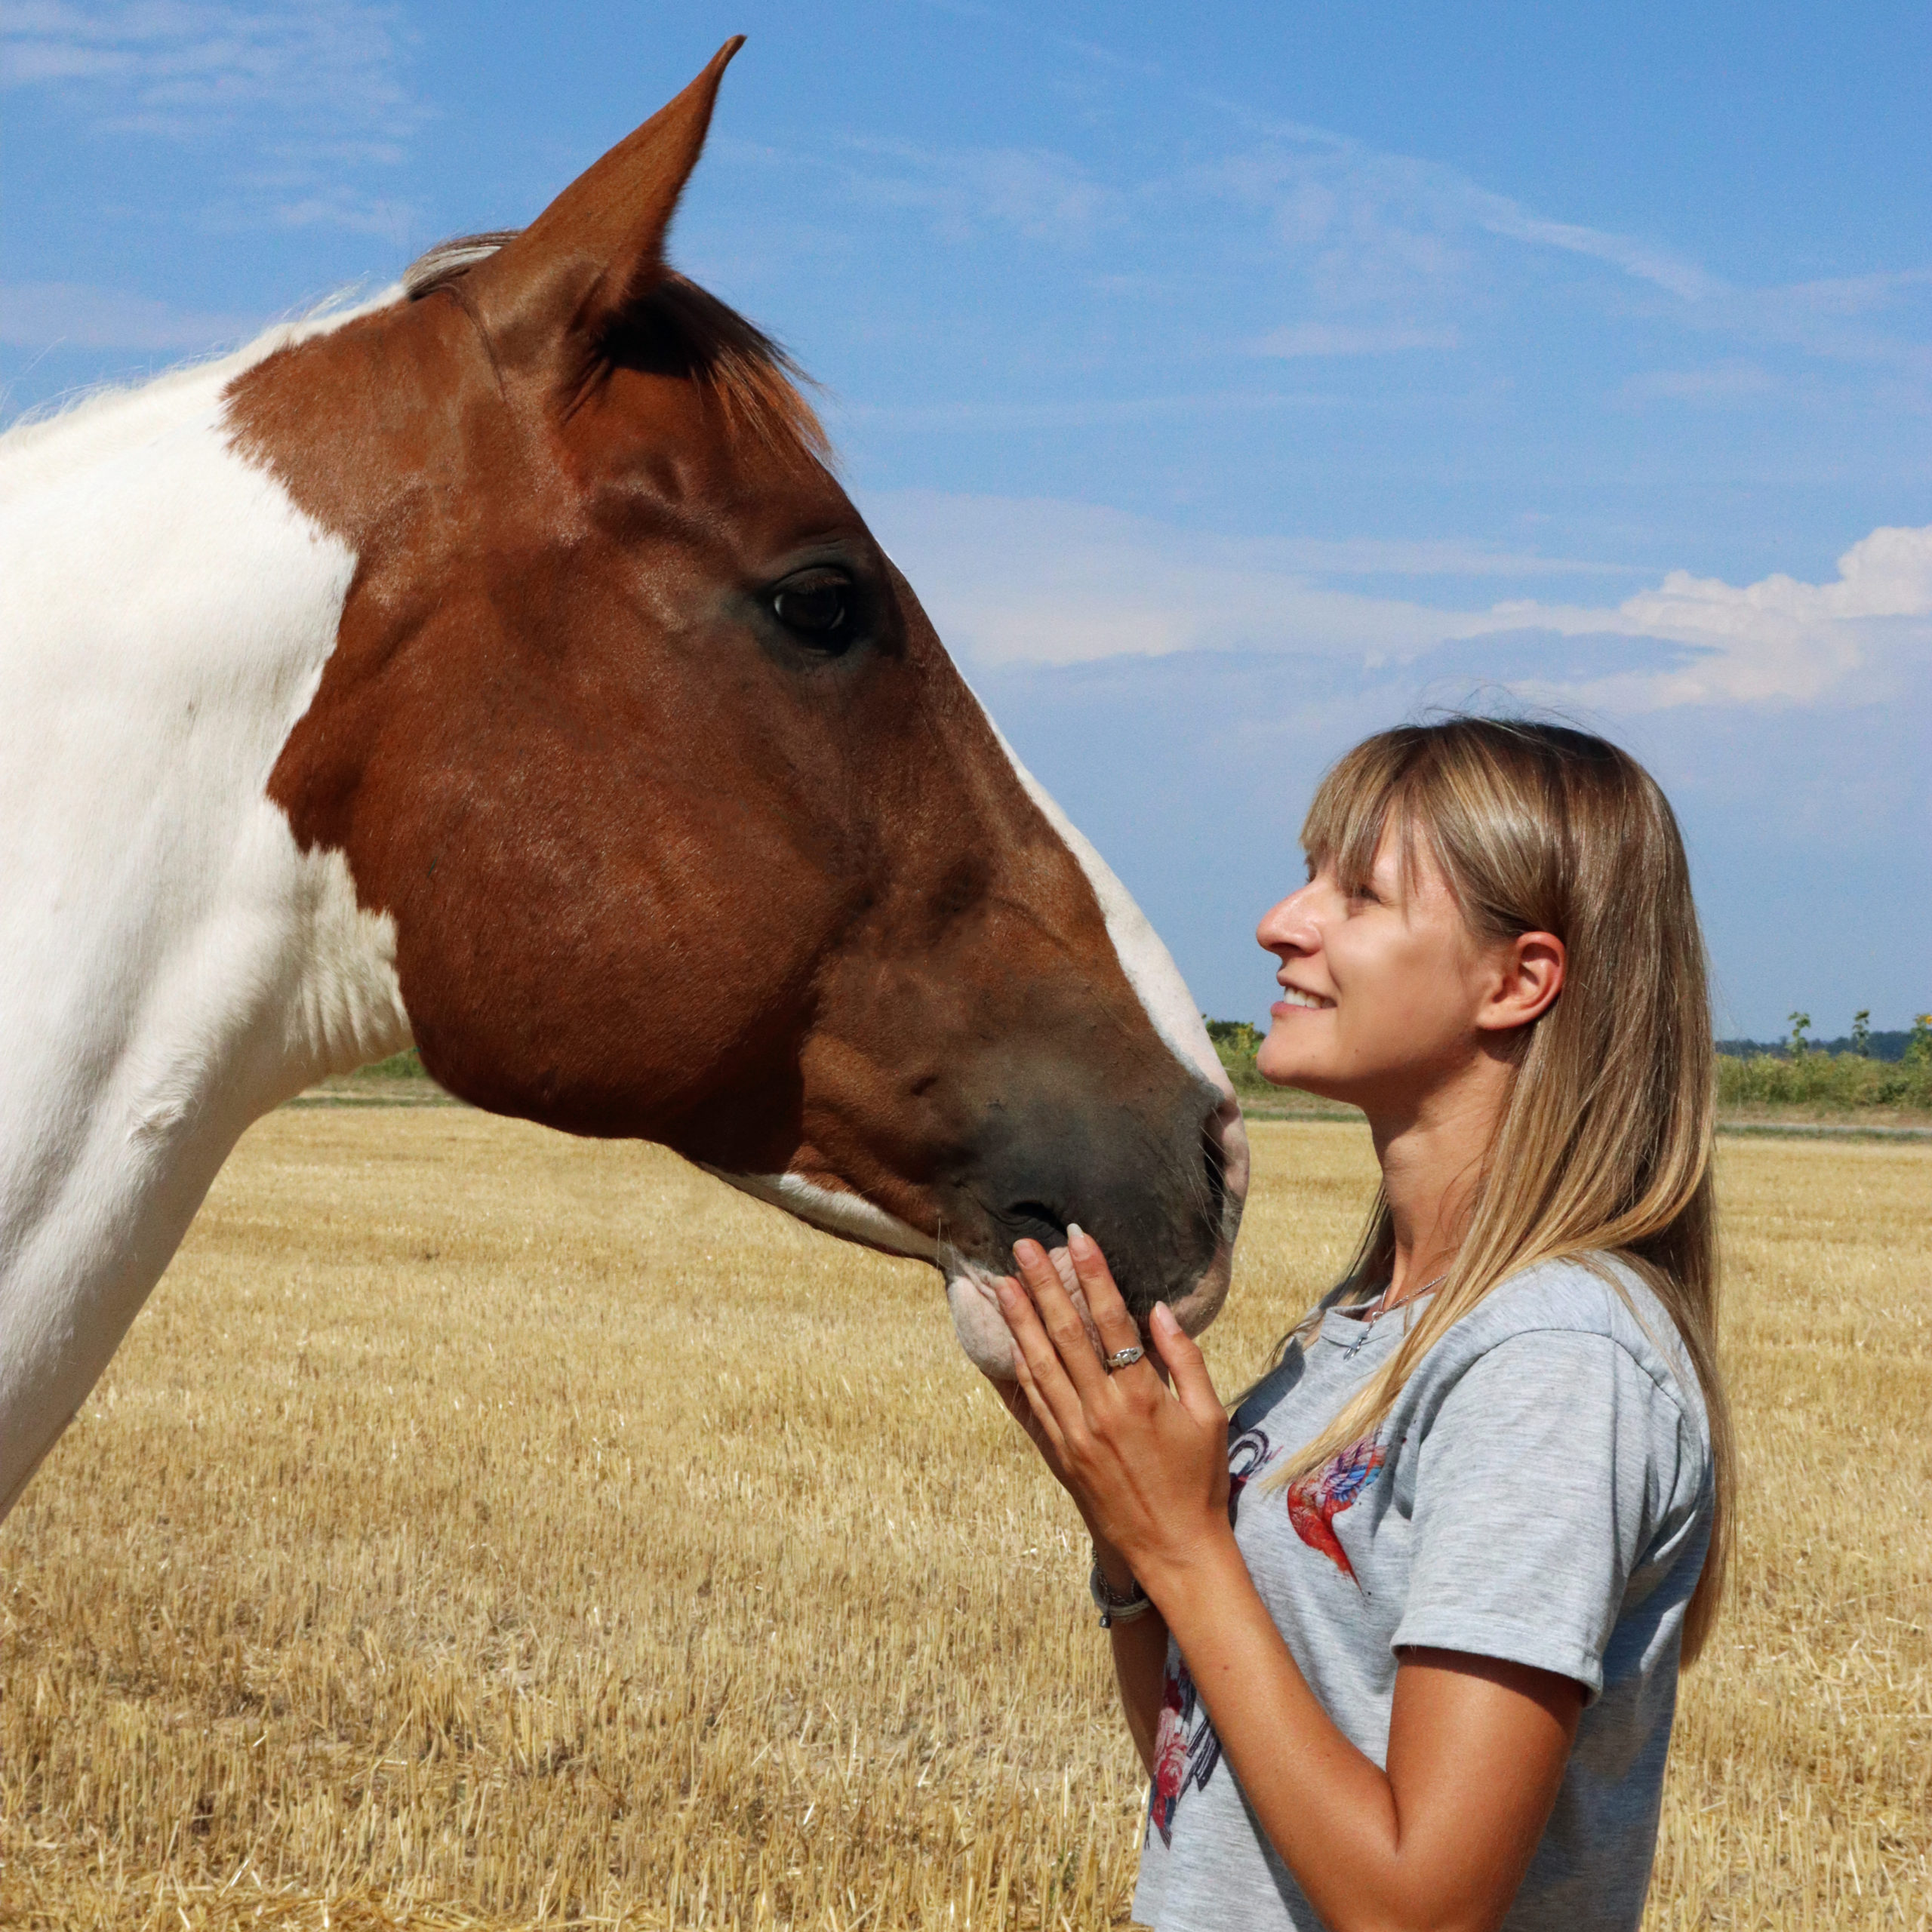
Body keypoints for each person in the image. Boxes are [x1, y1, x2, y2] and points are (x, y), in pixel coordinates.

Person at [993, 717, 1732, 1932]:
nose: (1283, 924)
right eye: (1307, 877)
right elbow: (1210, 1786)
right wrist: (1125, 1528)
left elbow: (1418, 1909)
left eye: (1361, 893)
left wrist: (1185, 1546)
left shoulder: (1552, 1359)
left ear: (1518, 980)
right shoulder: (1360, 1328)